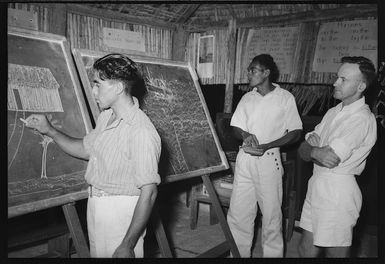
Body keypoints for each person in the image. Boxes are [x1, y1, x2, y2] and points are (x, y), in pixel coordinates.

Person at [25, 53, 161, 258]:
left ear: (117, 87)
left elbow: (149, 193)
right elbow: (85, 149)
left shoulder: (141, 131)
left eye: (98, 84)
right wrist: (49, 130)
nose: (93, 90)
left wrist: (128, 244)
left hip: (122, 213)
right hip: (97, 205)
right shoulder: (106, 117)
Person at [297, 56, 377, 258]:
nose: (335, 83)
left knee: (336, 252)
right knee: (306, 248)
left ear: (360, 86)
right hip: (317, 183)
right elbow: (303, 149)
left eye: (343, 79)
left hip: (338, 192)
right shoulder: (334, 111)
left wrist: (314, 150)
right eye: (337, 77)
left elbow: (330, 158)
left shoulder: (361, 119)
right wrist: (314, 151)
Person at [227, 54, 303, 257]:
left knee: (271, 218)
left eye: (254, 70)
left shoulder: (284, 98)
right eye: (249, 70)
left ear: (267, 73)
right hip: (245, 160)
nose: (249, 73)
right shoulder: (247, 97)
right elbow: (235, 125)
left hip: (269, 161)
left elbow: (296, 132)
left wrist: (270, 144)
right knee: (238, 214)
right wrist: (245, 134)